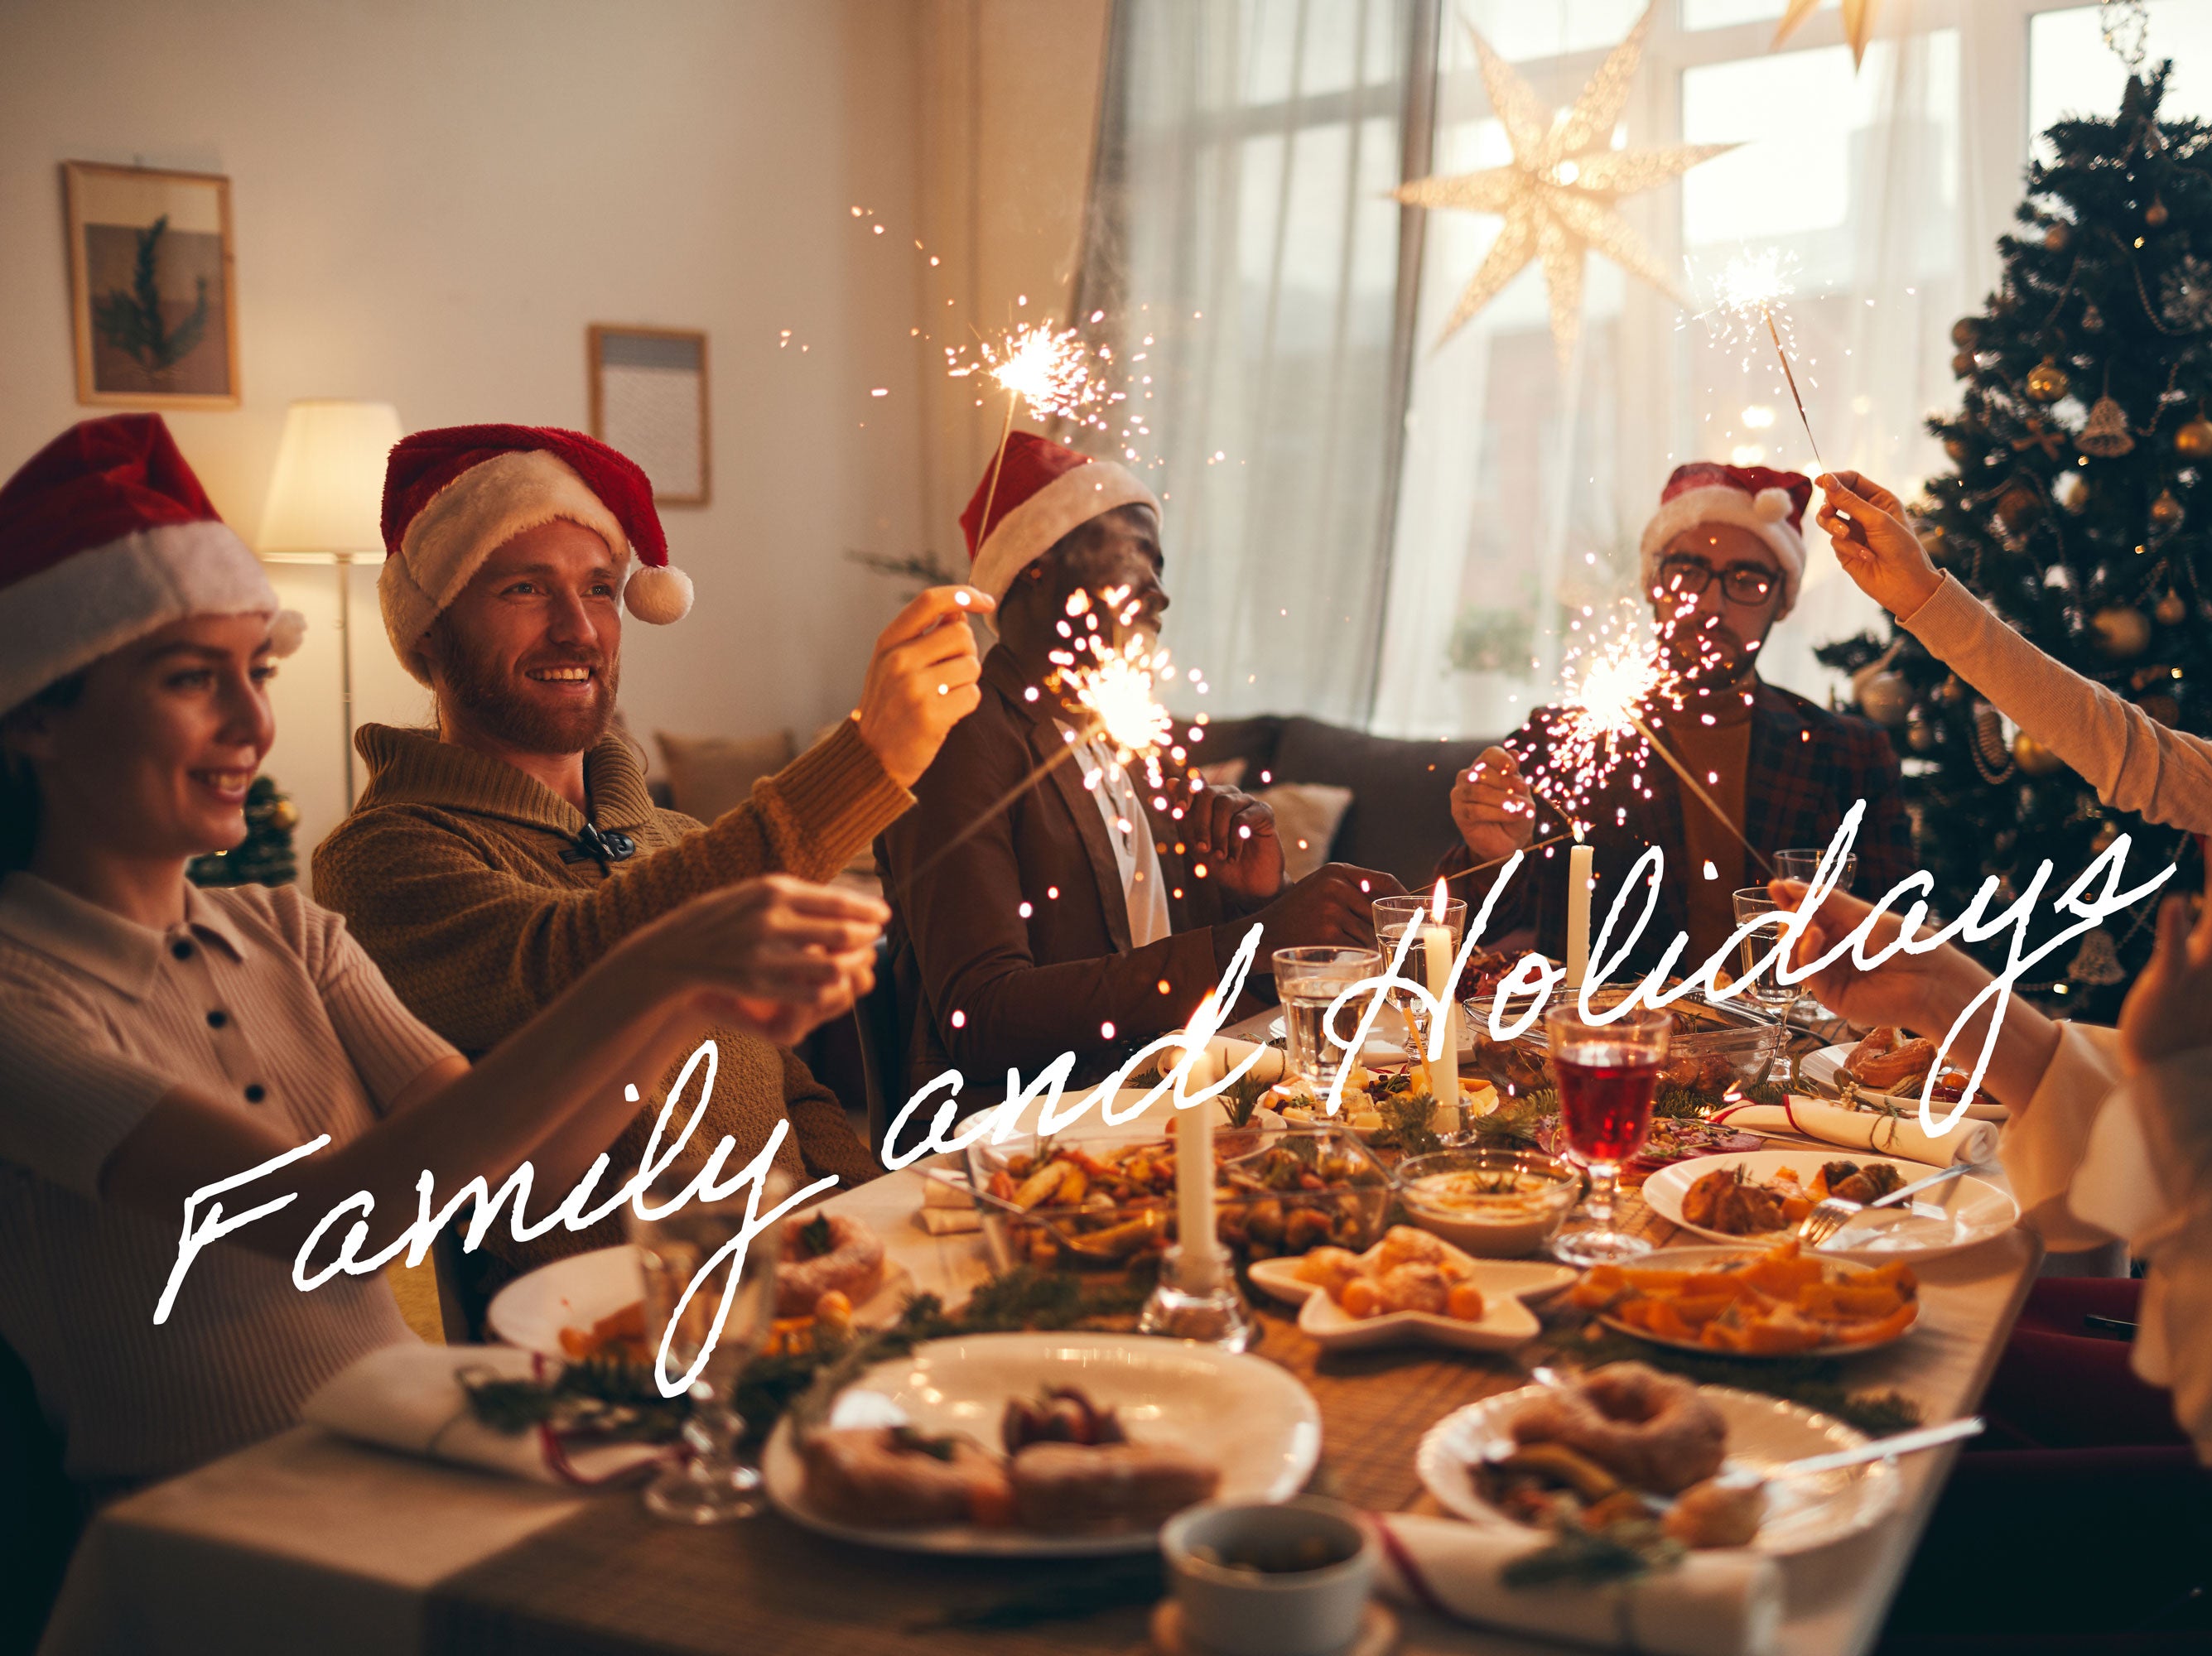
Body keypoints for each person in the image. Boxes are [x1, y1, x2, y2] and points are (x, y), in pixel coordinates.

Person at [0, 416, 879, 1498]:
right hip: (211, 1523)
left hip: (422, 1449)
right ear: (36, 716)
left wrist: (696, 997)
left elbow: (522, 1175)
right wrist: (660, 967)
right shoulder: (22, 993)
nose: (253, 724)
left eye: (259, 672)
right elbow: (333, 1217)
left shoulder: (288, 933)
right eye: (193, 679)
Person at [1793, 310, 2212, 1634]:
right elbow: (2150, 764)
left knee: (1837, 1499)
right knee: (1865, 1345)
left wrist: (2184, 1069)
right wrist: (1952, 1000)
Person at [312, 426, 985, 1291]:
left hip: (813, 1300)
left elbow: (790, 1091)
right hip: (620, 1338)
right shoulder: (385, 857)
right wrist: (864, 763)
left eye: (600, 588)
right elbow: (573, 960)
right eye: (525, 588)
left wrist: (881, 1228)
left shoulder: (672, 839)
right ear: (430, 631)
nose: (578, 627)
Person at [875, 432, 1400, 1100]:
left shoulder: (1127, 741)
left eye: (1161, 568)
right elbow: (982, 1018)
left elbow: (1178, 963)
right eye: (1135, 559)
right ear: (1037, 565)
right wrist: (1254, 934)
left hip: (1166, 1102)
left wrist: (1256, 898)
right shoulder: (961, 735)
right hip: (1030, 1137)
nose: (1159, 593)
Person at [1443, 461, 1911, 970]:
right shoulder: (1564, 740)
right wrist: (1492, 858)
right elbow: (1466, 933)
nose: (1710, 604)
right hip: (1607, 1039)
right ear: (1652, 583)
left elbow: (1896, 940)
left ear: (1782, 600)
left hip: (1799, 1046)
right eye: (1687, 572)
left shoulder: (1849, 754)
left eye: (1747, 579)